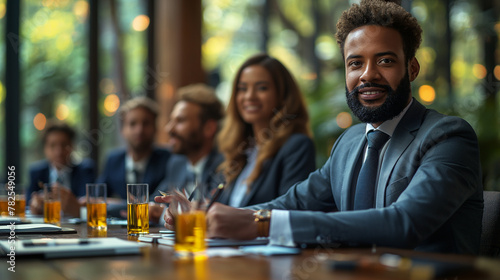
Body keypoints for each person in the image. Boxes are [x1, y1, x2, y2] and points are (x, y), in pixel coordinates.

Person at [159, 0, 483, 255]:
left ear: (411, 69)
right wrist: (207, 214)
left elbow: (405, 223)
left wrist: (261, 224)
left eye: (384, 61)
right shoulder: (350, 142)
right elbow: (291, 204)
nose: (367, 75)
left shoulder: (448, 136)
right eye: (355, 63)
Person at [150, 84, 225, 223]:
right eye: (171, 120)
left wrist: (161, 215)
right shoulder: (177, 163)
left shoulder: (225, 165)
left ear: (209, 128)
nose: (169, 129)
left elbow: (209, 213)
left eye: (180, 120)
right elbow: (152, 203)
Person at [97, 97, 171, 201]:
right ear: (122, 130)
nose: (139, 130)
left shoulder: (168, 159)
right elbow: (97, 199)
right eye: (132, 124)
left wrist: (116, 203)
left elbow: (161, 202)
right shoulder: (113, 161)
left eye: (146, 123)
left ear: (155, 128)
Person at [28, 120, 96, 217]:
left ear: (72, 146)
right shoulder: (36, 172)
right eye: (52, 145)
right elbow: (28, 203)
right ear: (45, 149)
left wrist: (75, 206)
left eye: (64, 145)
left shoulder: (85, 170)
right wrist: (35, 206)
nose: (58, 151)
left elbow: (89, 202)